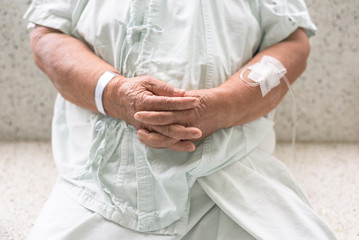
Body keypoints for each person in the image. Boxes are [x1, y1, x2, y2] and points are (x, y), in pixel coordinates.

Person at [24, 0, 338, 239]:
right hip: (100, 185)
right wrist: (115, 95)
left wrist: (224, 106)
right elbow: (48, 35)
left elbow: (291, 42)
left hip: (232, 170)